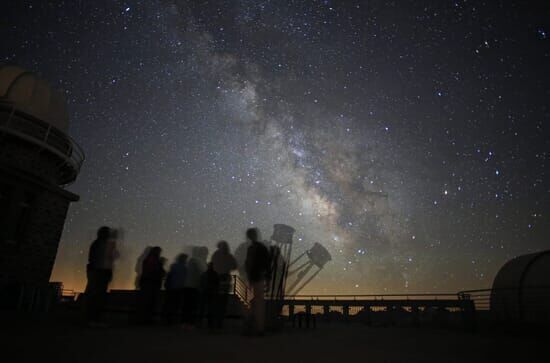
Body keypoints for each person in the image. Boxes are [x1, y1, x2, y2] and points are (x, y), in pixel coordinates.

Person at [84, 226, 119, 327]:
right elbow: (102, 259)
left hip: (100, 273)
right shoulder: (100, 244)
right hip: (98, 273)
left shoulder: (101, 243)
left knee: (98, 296)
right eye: (107, 233)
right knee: (96, 296)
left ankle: (93, 319)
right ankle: (92, 319)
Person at [244, 228, 270, 335]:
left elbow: (264, 263)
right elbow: (266, 263)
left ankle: (258, 328)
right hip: (256, 277)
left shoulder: (255, 248)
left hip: (256, 277)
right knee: (258, 303)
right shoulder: (257, 248)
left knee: (257, 303)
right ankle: (258, 328)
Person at [211, 240, 237, 328]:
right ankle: (219, 323)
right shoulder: (229, 256)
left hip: (216, 279)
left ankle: (214, 322)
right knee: (223, 302)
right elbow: (234, 266)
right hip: (225, 279)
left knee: (216, 301)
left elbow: (213, 265)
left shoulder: (215, 255)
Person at [138, 246, 165, 324]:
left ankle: (145, 319)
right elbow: (154, 271)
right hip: (151, 283)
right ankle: (146, 319)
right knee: (149, 301)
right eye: (159, 251)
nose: (160, 253)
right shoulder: (153, 260)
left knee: (148, 301)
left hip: (149, 282)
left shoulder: (150, 259)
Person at [182, 246, 208, 329]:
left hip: (190, 286)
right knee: (191, 306)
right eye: (205, 252)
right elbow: (202, 273)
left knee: (188, 306)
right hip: (193, 287)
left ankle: (186, 323)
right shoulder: (196, 260)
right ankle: (189, 323)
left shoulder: (193, 260)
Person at [163, 253, 188, 324]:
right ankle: (172, 319)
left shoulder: (174, 266)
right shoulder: (185, 268)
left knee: (171, 304)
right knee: (176, 304)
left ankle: (168, 319)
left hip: (173, 287)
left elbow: (169, 276)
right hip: (179, 288)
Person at [200, 262, 220, 330]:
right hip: (212, 293)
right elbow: (217, 284)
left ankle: (200, 322)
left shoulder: (204, 274)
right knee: (210, 309)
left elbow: (201, 282)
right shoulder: (215, 274)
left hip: (205, 292)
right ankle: (210, 324)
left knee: (202, 308)